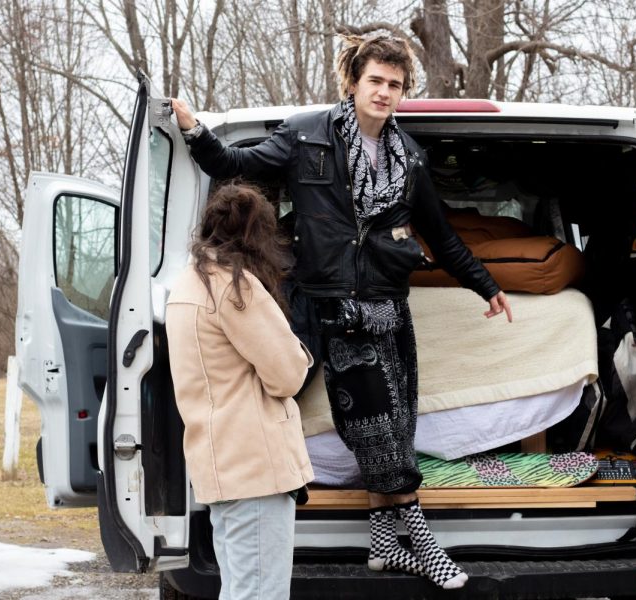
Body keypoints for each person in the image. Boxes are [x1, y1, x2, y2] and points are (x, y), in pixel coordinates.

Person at [171, 33, 513, 590]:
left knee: (397, 426)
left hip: (389, 307)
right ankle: (421, 543)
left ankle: (384, 545)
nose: (384, 92)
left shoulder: (410, 159)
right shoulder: (306, 136)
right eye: (375, 81)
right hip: (333, 309)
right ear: (352, 82)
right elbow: (235, 163)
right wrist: (192, 128)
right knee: (376, 429)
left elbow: (441, 235)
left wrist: (486, 287)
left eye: (395, 85)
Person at [165, 183, 314, 600]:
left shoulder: (188, 285)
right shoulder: (235, 287)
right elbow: (287, 376)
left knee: (241, 590)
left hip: (221, 466)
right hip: (257, 470)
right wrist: (300, 351)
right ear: (258, 236)